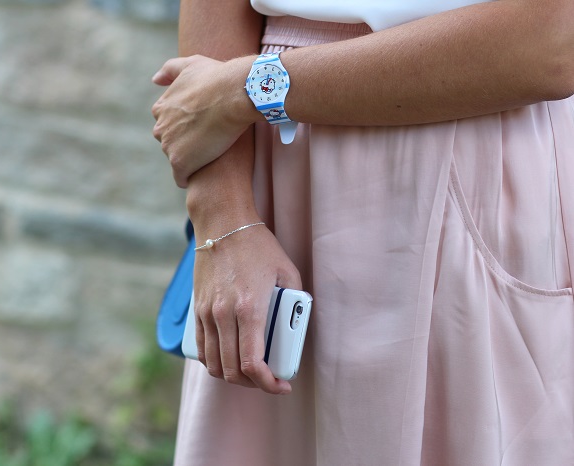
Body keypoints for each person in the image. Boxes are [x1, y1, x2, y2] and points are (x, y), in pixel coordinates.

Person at [151, 0, 574, 464]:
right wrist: (222, 214)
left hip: (462, 133)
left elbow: (554, 38)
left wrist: (247, 88)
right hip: (263, 164)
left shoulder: (245, 89)